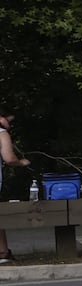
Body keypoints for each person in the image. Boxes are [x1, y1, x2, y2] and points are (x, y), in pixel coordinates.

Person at [0, 107, 30, 264]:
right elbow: (9, 158)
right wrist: (21, 162)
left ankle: (4, 252)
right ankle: (3, 252)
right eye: (9, 121)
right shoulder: (1, 133)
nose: (9, 126)